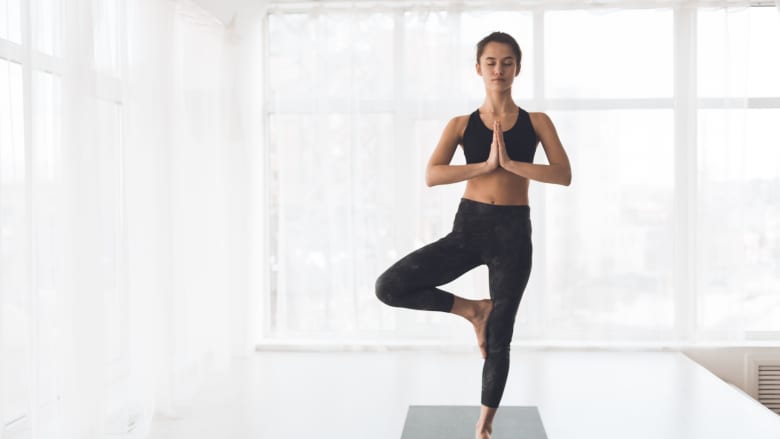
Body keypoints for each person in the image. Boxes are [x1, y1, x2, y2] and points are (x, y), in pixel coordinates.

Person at [374, 31, 571, 439]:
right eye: (491, 62)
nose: (499, 70)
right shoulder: (462, 125)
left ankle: (484, 427)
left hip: (514, 234)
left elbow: (562, 174)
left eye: (507, 62)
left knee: (500, 338)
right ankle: (471, 310)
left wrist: (512, 164)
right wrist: (484, 166)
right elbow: (433, 175)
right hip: (470, 228)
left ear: (518, 68)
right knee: (389, 286)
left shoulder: (538, 123)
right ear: (478, 68)